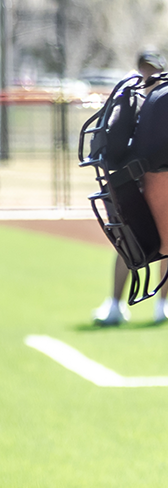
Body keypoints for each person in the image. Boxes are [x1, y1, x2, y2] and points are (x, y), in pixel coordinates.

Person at [93, 52, 168, 326]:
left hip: (155, 183)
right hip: (143, 182)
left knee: (157, 238)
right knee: (132, 241)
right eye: (144, 70)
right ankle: (115, 303)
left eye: (152, 70)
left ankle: (162, 304)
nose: (148, 75)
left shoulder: (159, 103)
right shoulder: (137, 100)